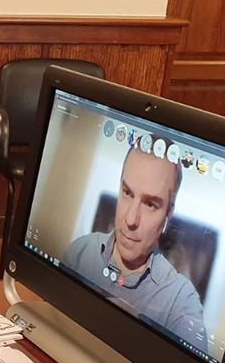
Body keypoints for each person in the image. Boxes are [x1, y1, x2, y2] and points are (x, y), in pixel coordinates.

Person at [64, 144, 207, 352]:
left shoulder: (180, 300)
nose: (130, 219)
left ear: (169, 212)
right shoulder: (81, 251)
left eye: (150, 204)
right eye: (127, 193)